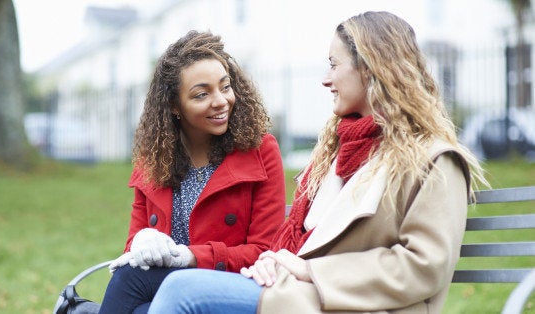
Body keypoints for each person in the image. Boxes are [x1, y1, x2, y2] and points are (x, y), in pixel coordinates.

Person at [146, 11, 488, 314]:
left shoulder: (435, 160)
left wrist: (310, 271)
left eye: (334, 64)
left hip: (351, 304)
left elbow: (423, 267)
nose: (326, 78)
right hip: (299, 293)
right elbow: (299, 242)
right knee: (147, 284)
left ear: (371, 69)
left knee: (183, 290)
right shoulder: (339, 153)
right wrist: (276, 262)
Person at [97, 30, 286, 313]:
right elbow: (133, 249)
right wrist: (142, 240)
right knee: (136, 294)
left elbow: (264, 251)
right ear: (174, 106)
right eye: (201, 94)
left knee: (134, 286)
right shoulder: (155, 158)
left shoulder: (260, 150)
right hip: (167, 287)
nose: (221, 101)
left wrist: (190, 257)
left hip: (234, 284)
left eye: (225, 86)